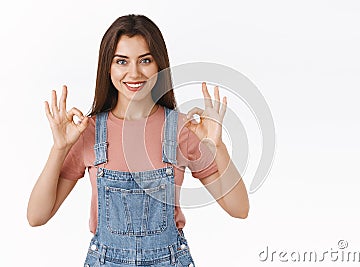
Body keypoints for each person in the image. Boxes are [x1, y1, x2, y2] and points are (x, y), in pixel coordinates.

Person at [27, 14, 249, 266]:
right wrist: (59, 148)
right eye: (122, 61)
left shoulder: (181, 129)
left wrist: (218, 147)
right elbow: (36, 216)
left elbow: (239, 209)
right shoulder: (88, 131)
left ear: (159, 65)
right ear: (107, 67)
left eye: (145, 60)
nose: (134, 73)